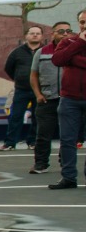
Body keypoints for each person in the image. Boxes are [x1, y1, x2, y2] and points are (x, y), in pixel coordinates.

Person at [46, 8, 86, 190]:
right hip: (69, 99)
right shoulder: (69, 41)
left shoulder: (69, 46)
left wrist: (73, 59)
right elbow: (58, 59)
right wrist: (79, 44)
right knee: (67, 139)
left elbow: (66, 59)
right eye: (82, 22)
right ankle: (68, 177)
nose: (85, 25)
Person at [29, 21, 72, 177]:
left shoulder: (76, 50)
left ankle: (65, 163)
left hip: (68, 99)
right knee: (43, 134)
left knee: (68, 135)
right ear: (52, 33)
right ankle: (41, 163)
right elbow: (33, 75)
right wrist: (38, 95)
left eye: (68, 31)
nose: (65, 34)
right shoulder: (41, 52)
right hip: (47, 99)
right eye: (61, 31)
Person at [1, 25, 44, 150]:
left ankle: (33, 142)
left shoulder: (45, 51)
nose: (35, 35)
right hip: (21, 90)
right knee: (16, 117)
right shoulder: (17, 52)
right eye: (32, 33)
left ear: (42, 36)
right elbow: (8, 68)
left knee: (38, 118)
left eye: (38, 33)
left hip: (40, 91)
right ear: (26, 35)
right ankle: (10, 143)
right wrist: (19, 78)